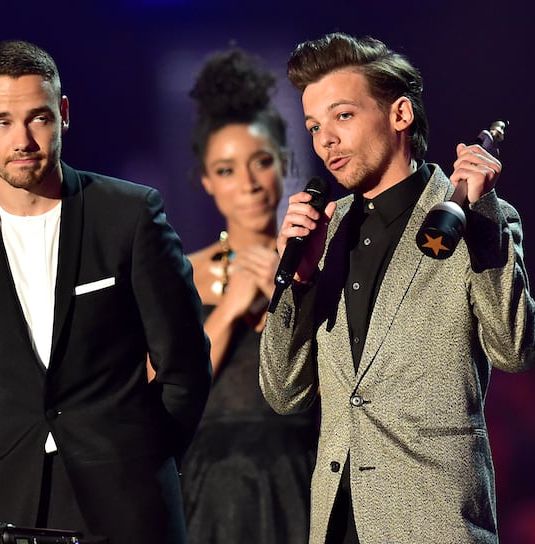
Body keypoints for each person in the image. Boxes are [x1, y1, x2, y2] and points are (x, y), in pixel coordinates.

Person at [0, 40, 212, 544]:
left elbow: (183, 363)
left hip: (127, 504)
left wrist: (142, 457)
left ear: (63, 113)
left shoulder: (128, 213)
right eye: (1, 121)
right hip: (5, 503)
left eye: (38, 118)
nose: (22, 139)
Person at [259, 32, 535, 543]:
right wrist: (299, 282)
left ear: (400, 115)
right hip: (336, 523)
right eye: (314, 126)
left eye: (342, 116)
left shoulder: (477, 219)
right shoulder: (324, 232)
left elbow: (514, 350)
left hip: (433, 522)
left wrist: (480, 217)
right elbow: (284, 393)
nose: (325, 140)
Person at [177, 49, 317, 543]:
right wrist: (232, 306)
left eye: (261, 162)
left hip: (304, 482)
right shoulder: (181, 274)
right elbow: (164, 396)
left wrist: (295, 291)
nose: (250, 184)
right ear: (206, 181)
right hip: (212, 495)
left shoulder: (317, 267)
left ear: (284, 162)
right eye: (228, 169)